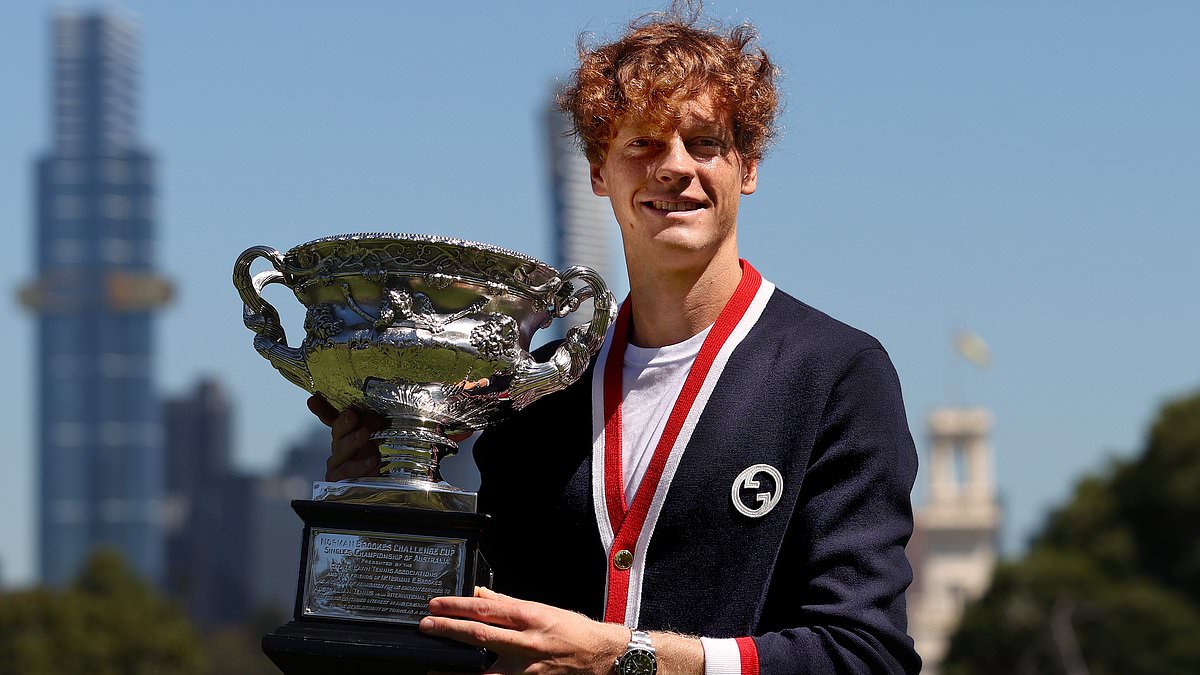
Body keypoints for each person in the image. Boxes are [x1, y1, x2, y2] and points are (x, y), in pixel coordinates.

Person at [311, 5, 921, 674]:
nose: (674, 167)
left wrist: (628, 659)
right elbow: (460, 635)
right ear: (601, 171)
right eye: (643, 143)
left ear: (747, 167)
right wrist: (386, 508)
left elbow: (866, 654)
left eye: (705, 142)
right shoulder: (529, 396)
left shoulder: (833, 374)